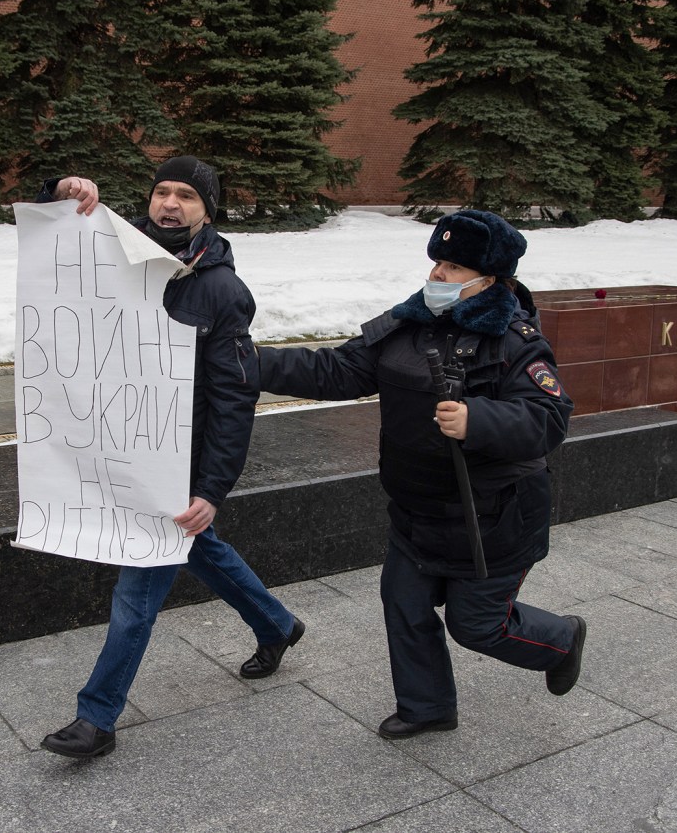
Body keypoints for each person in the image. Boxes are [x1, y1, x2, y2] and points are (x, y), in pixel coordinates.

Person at [258, 209, 586, 739]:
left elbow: (549, 418)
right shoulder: (406, 325)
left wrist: (478, 419)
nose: (437, 274)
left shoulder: (515, 341)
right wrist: (251, 363)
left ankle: (561, 640)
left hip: (493, 518)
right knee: (404, 603)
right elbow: (336, 370)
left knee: (476, 625)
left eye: (454, 267)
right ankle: (426, 706)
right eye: (437, 262)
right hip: (417, 511)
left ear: (490, 280)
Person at [36, 157, 305, 759]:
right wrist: (63, 191)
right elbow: (53, 246)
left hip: (176, 463)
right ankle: (277, 625)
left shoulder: (222, 290)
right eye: (162, 191)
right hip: (121, 448)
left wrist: (211, 489)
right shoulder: (116, 252)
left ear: (208, 210)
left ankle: (96, 718)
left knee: (136, 594)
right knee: (201, 549)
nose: (170, 204)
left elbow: (234, 398)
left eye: (187, 195)